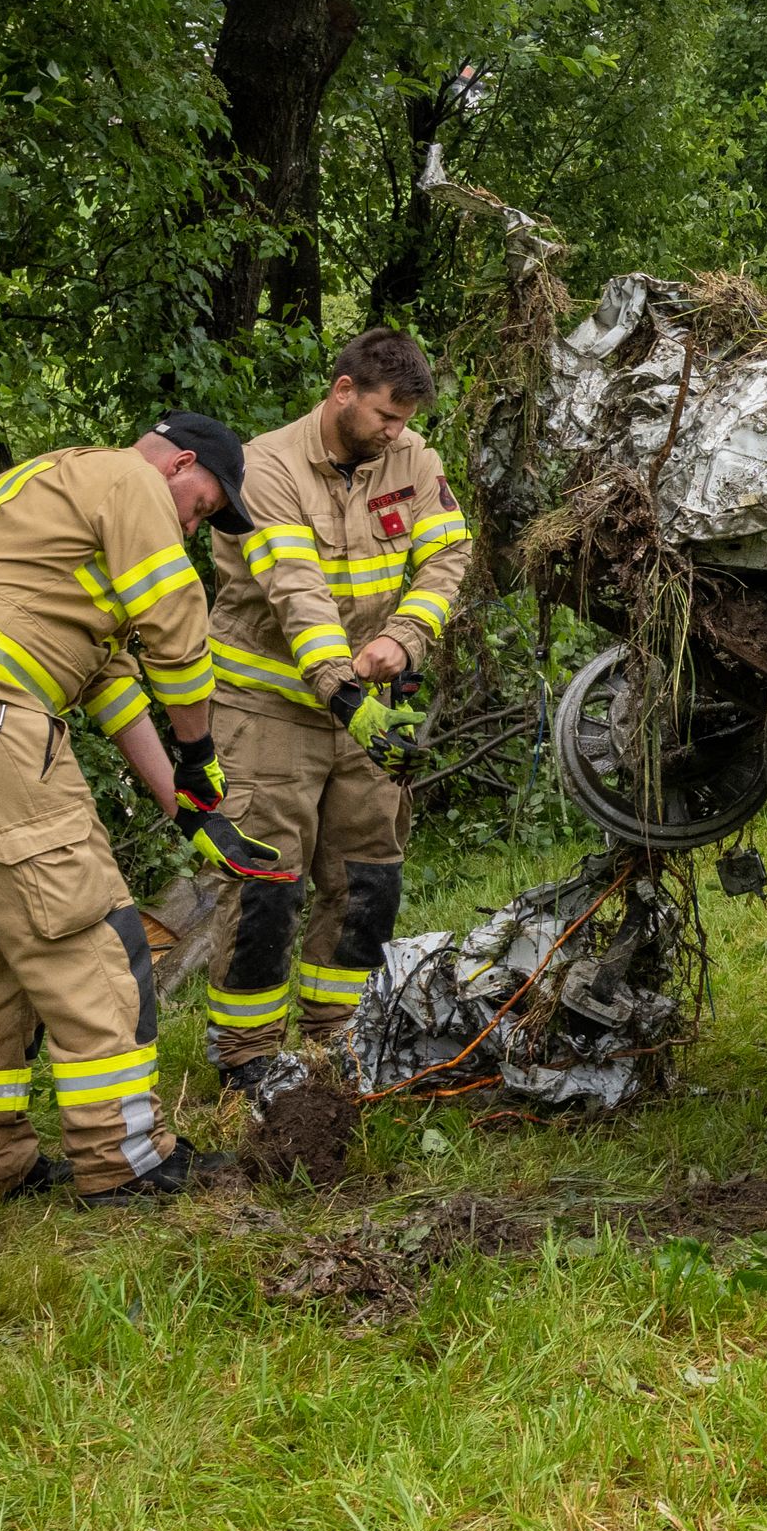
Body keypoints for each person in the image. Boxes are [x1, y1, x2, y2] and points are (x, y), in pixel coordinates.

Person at [0, 416, 298, 1205]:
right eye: (199, 507)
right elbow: (176, 632)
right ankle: (125, 1160)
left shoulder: (42, 489)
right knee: (92, 940)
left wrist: (190, 810)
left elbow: (107, 681)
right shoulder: (130, 483)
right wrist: (200, 751)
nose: (190, 527)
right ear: (179, 463)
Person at [200, 330, 472, 1094]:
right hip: (268, 711)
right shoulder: (266, 466)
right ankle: (247, 1060)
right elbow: (296, 590)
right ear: (343, 391)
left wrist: (406, 638)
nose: (396, 433)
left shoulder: (414, 458)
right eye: (386, 415)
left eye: (407, 419)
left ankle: (336, 1046)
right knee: (264, 885)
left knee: (366, 879)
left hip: (367, 708)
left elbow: (450, 554)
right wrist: (342, 688)